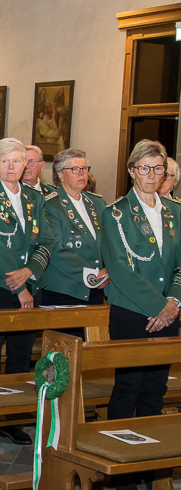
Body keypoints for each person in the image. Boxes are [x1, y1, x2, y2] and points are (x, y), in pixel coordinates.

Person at [101, 140, 181, 489]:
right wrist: (159, 307)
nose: (152, 175)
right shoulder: (115, 213)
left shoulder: (175, 211)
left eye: (158, 168)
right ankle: (119, 470)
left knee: (155, 389)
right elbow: (120, 270)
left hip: (170, 312)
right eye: (145, 168)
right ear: (132, 171)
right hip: (132, 312)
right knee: (128, 387)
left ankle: (149, 466)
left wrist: (173, 303)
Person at [0, 137, 54, 447]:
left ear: (26, 165)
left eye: (17, 161)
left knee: (21, 355)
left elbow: (47, 240)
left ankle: (13, 419)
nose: (11, 167)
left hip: (31, 284)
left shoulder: (35, 198)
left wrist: (30, 272)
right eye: (5, 161)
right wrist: (19, 285)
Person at [43, 149, 106, 319]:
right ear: (60, 174)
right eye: (74, 169)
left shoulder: (97, 203)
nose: (82, 173)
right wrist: (92, 274)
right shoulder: (51, 205)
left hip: (98, 287)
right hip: (65, 290)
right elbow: (56, 250)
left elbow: (110, 243)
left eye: (84, 168)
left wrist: (107, 269)